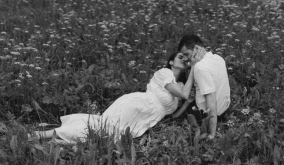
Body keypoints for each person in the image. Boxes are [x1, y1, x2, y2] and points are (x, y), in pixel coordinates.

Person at [29, 49, 203, 143]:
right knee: (104, 128)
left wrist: (186, 103)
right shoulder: (165, 73)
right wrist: (193, 67)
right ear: (171, 62)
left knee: (107, 137)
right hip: (138, 104)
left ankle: (60, 140)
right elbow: (183, 92)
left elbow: (173, 115)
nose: (184, 60)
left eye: (186, 61)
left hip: (147, 117)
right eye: (180, 57)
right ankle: (44, 135)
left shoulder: (180, 86)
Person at [178, 33, 230, 140]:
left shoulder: (200, 68)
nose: (185, 59)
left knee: (182, 94)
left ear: (197, 49)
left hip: (206, 115)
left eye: (187, 54)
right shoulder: (218, 58)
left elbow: (211, 101)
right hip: (225, 108)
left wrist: (211, 134)